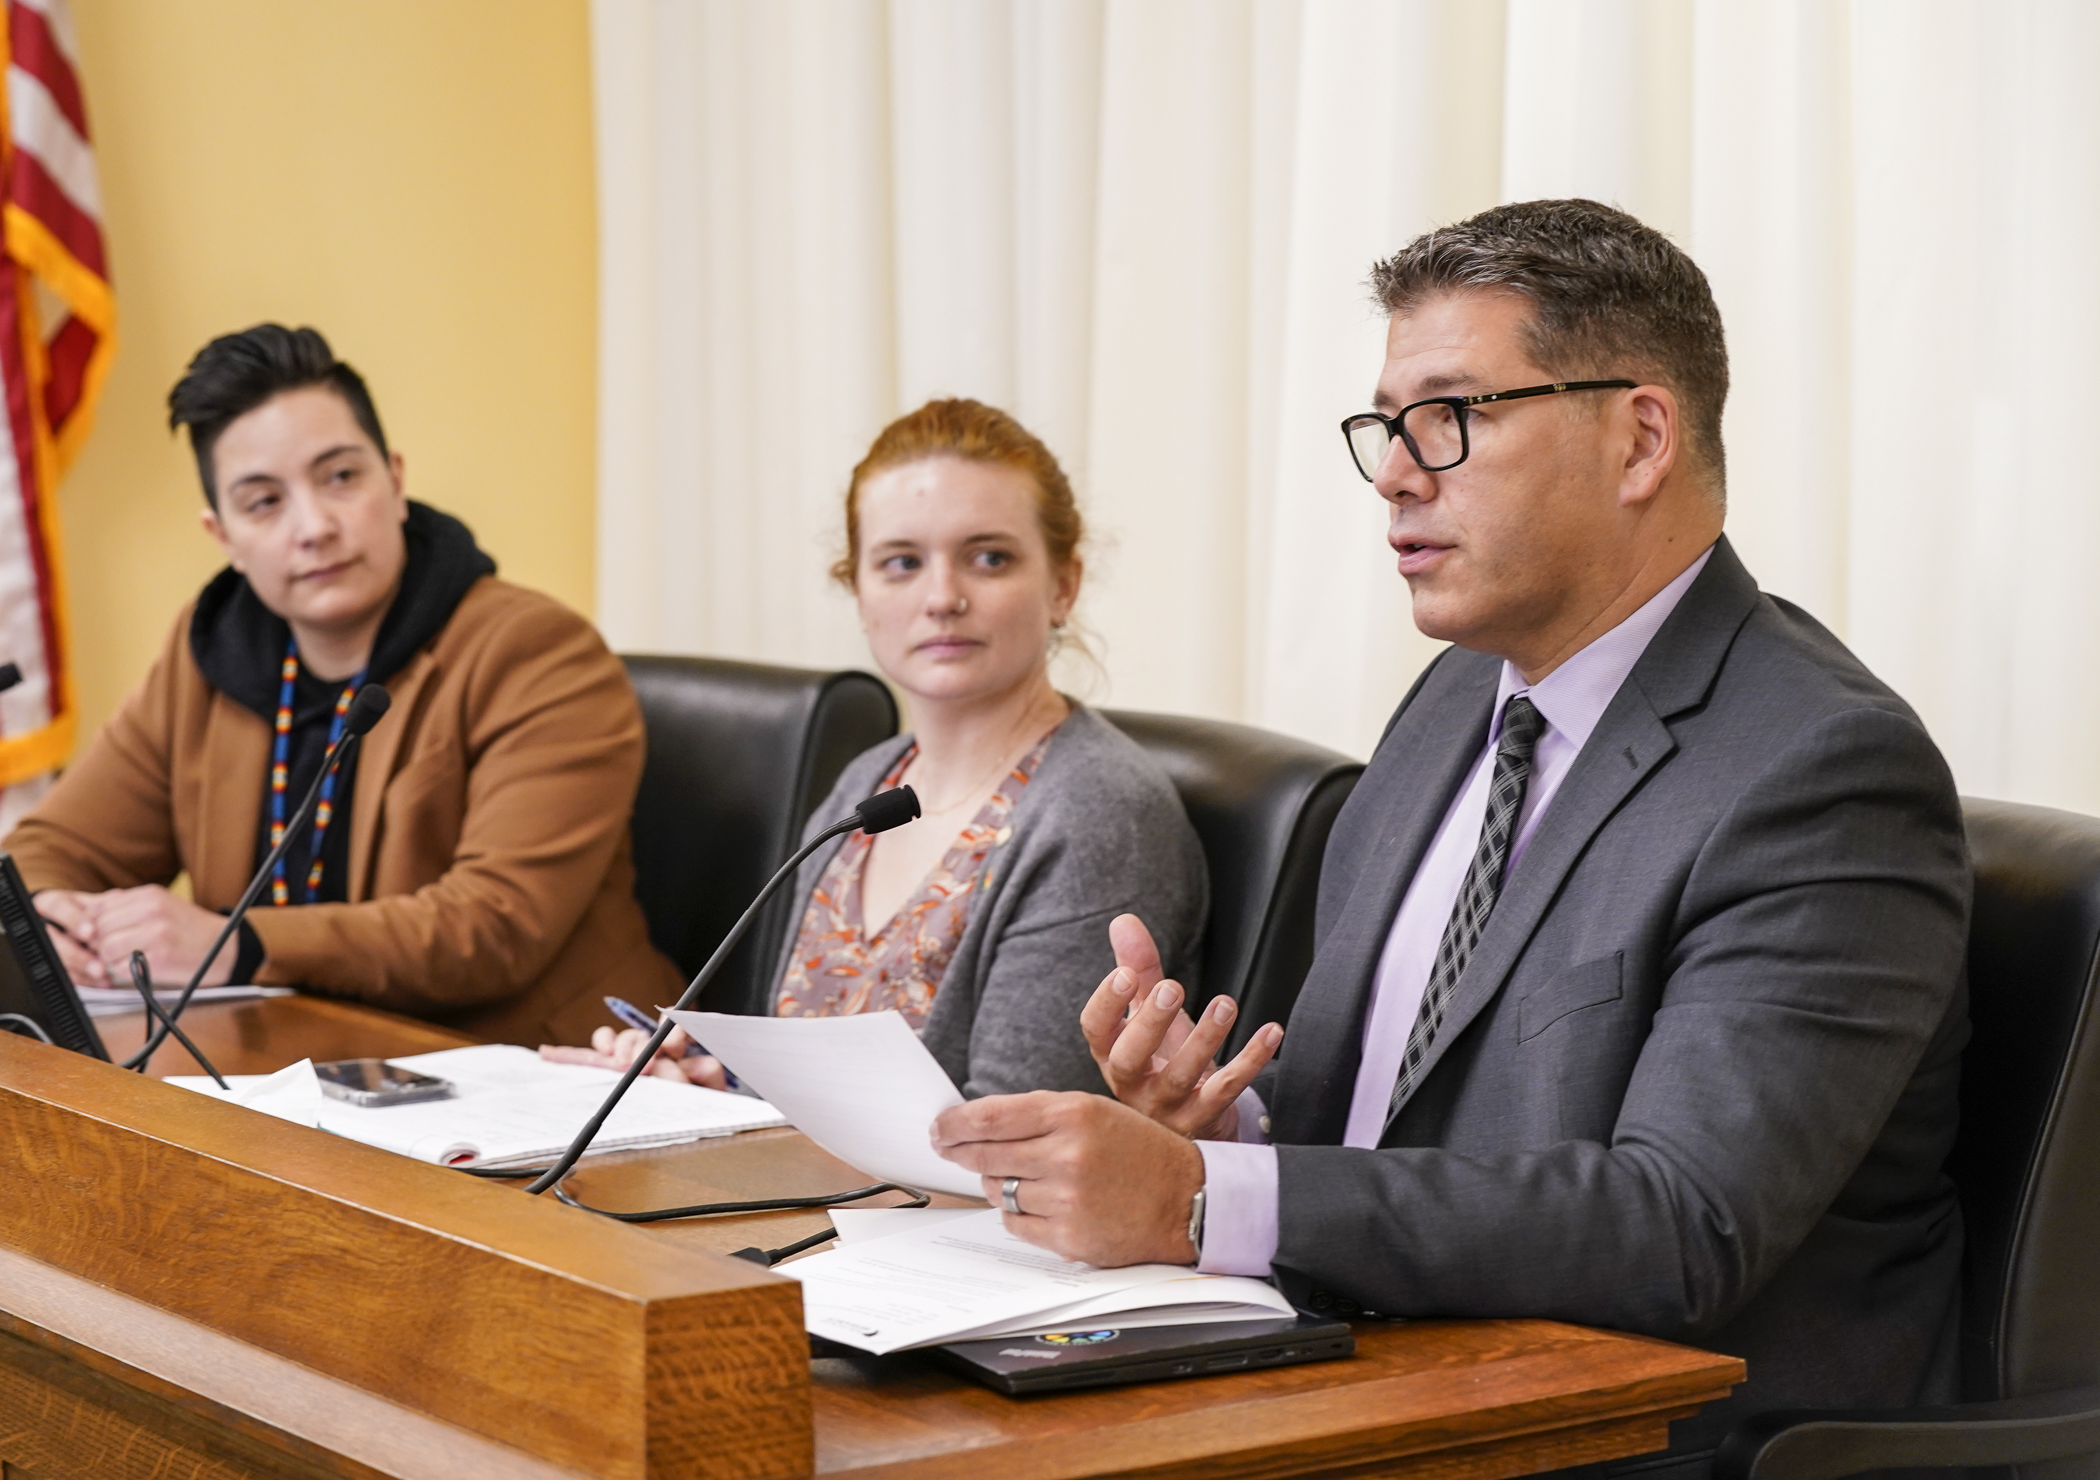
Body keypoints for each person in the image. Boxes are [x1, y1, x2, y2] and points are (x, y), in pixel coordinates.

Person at [929, 201, 1970, 1470]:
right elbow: (1381, 1134)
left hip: (1625, 1434)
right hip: (1378, 1371)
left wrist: (1207, 1203)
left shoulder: (1818, 769)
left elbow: (1679, 1224)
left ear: (1640, 438)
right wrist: (1214, 1132)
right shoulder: (1455, 704)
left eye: (1451, 419)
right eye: (1386, 426)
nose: (1396, 474)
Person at [5, 324, 685, 1043]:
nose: (315, 526)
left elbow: (493, 926)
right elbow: (54, 849)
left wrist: (238, 945)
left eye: (340, 478)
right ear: (223, 537)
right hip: (301, 1067)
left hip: (550, 1081)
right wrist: (60, 921)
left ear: (394, 481)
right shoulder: (211, 653)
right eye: (264, 501)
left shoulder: (537, 652)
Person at [546, 398, 1207, 1097]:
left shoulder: (1100, 812)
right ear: (858, 593)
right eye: (901, 563)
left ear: (1063, 586)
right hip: (812, 1200)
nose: (942, 596)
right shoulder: (869, 781)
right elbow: (813, 1094)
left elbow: (1020, 1141)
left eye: (989, 558)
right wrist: (700, 1085)